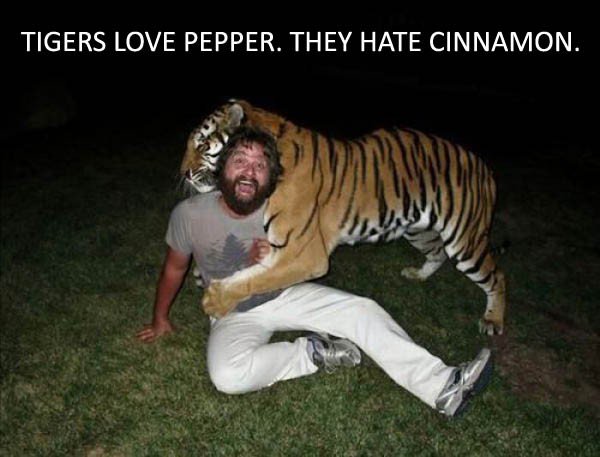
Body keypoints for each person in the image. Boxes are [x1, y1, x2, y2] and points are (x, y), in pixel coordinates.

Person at [136, 126, 493, 418]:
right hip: (232, 311)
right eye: (240, 160)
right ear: (222, 166)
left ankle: (443, 386)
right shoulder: (190, 214)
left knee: (361, 311)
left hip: (284, 295)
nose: (249, 171)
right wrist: (160, 318)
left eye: (260, 165)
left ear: (271, 177)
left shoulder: (287, 206)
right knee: (227, 376)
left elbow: (313, 258)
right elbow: (174, 268)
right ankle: (313, 353)